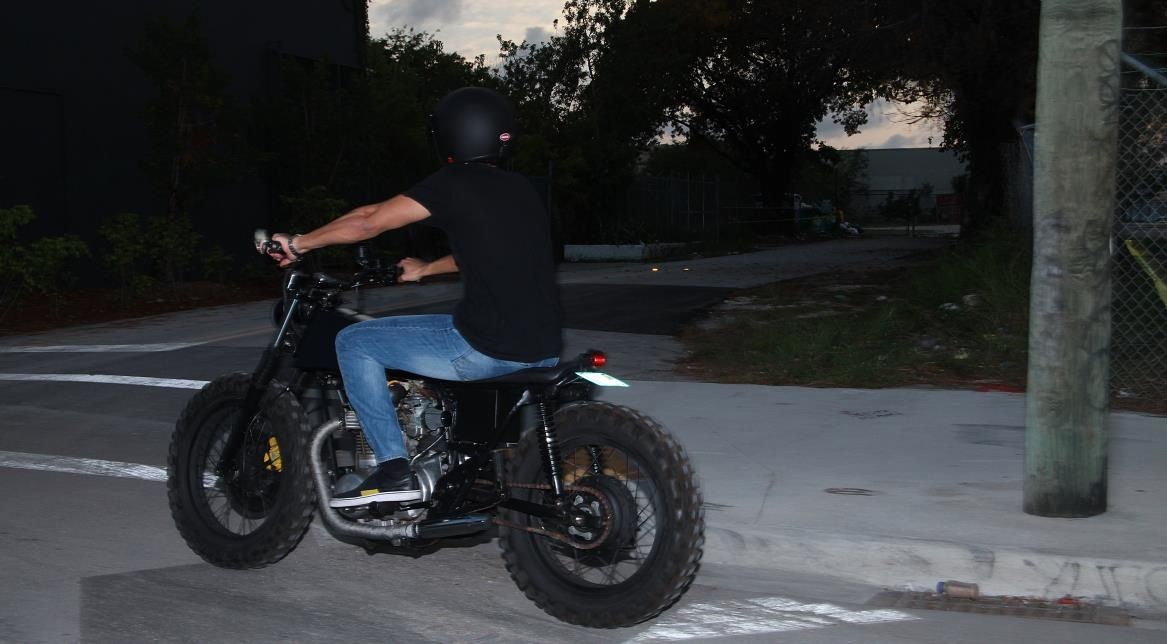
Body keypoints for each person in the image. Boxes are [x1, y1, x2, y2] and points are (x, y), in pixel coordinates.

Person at [260, 87, 563, 507]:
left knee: (354, 341)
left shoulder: (453, 182)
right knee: (437, 335)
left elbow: (370, 225)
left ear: (449, 136)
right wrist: (423, 269)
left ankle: (393, 468)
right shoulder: (522, 192)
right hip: (543, 348)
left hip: (487, 346)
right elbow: (463, 249)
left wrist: (300, 244)